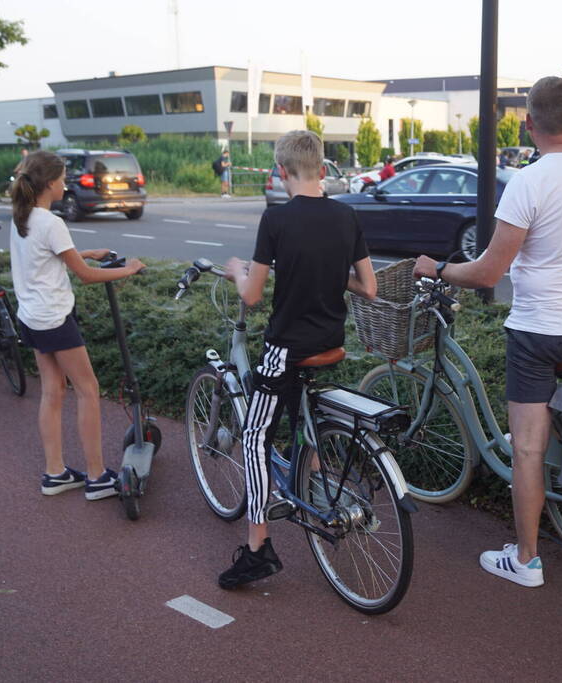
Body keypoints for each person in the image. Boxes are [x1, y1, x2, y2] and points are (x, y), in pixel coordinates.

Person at [413, 76, 562, 588]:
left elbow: (488, 272)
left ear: (528, 122)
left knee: (526, 449)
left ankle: (526, 560)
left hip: (540, 331)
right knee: (536, 426)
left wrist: (436, 268)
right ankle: (544, 452)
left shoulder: (530, 181)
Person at [218, 130, 377, 589]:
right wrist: (330, 272)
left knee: (254, 437)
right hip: (330, 343)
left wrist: (236, 271)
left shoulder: (276, 219)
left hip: (286, 349)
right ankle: (313, 481)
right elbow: (368, 287)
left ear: (280, 172)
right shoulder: (346, 216)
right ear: (322, 170)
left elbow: (252, 295)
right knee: (298, 413)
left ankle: (257, 549)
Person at [9, 150, 145, 500]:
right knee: (87, 389)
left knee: (52, 392)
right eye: (63, 178)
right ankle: (97, 477)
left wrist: (86, 252)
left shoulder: (22, 216)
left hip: (31, 318)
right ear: (50, 183)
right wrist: (128, 270)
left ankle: (55, 473)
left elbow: (47, 257)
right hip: (55, 318)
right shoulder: (51, 222)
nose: (65, 184)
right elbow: (85, 276)